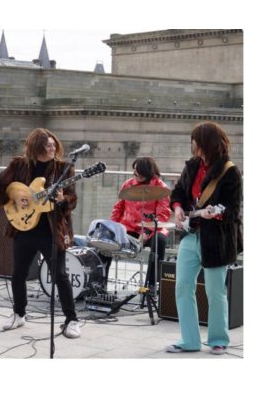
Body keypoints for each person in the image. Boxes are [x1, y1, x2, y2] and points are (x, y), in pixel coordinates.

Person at [0, 128, 81, 338]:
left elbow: (72, 200)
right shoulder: (19, 165)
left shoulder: (64, 168)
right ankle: (19, 314)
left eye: (54, 144)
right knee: (18, 273)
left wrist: (61, 200)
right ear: (36, 146)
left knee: (60, 275)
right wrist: (15, 198)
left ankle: (72, 320)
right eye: (48, 145)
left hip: (51, 230)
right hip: (24, 227)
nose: (53, 148)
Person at [166, 121, 242, 355]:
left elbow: (232, 210)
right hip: (191, 234)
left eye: (195, 140)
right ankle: (189, 340)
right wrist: (178, 208)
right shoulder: (191, 166)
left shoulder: (230, 171)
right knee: (182, 286)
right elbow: (178, 192)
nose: (193, 145)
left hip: (217, 239)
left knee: (215, 291)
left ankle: (218, 339)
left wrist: (216, 214)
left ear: (205, 143)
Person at [98, 157, 171, 291]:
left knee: (159, 241)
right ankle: (100, 283)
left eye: (139, 172)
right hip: (129, 226)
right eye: (134, 171)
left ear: (147, 173)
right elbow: (118, 208)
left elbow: (163, 215)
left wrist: (147, 232)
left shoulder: (161, 188)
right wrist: (113, 227)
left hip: (152, 229)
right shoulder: (128, 184)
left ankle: (151, 284)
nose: (135, 175)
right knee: (104, 242)